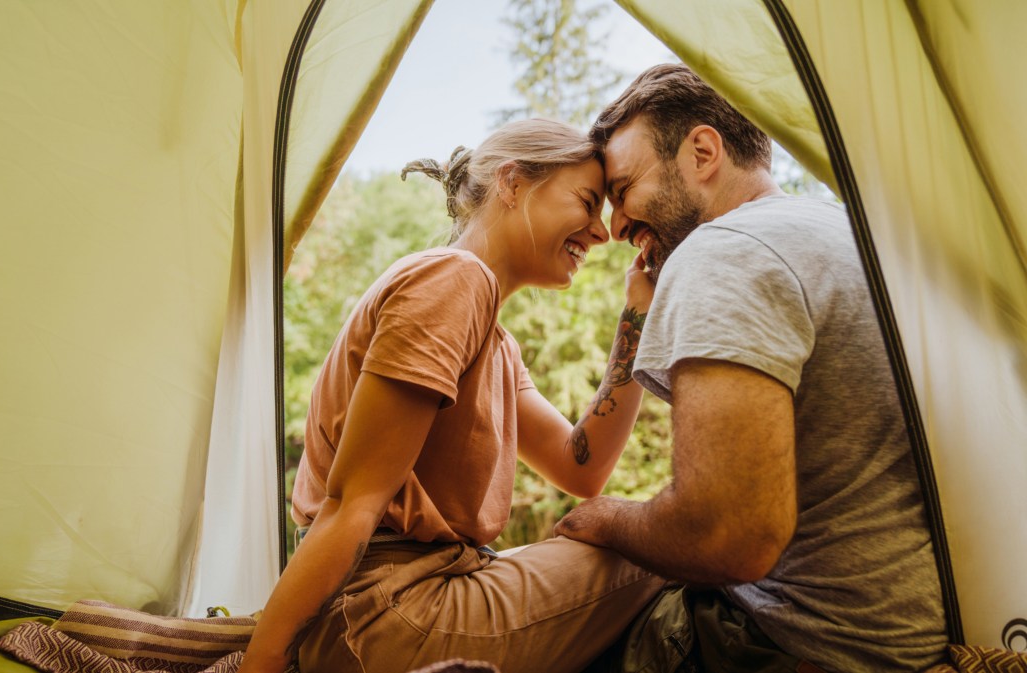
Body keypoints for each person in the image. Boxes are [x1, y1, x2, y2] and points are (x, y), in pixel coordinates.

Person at [554, 63, 948, 672]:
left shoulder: (724, 252)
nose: (620, 225)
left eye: (625, 189)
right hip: (906, 634)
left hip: (791, 645)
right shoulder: (854, 229)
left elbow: (727, 535)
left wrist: (610, 519)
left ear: (703, 152)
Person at [237, 118, 666, 673]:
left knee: (648, 536)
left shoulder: (495, 340)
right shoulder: (453, 281)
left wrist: (638, 314)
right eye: (586, 202)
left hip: (423, 592)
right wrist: (262, 663)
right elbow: (350, 504)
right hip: (384, 614)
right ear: (511, 183)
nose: (601, 231)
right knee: (671, 544)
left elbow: (581, 468)